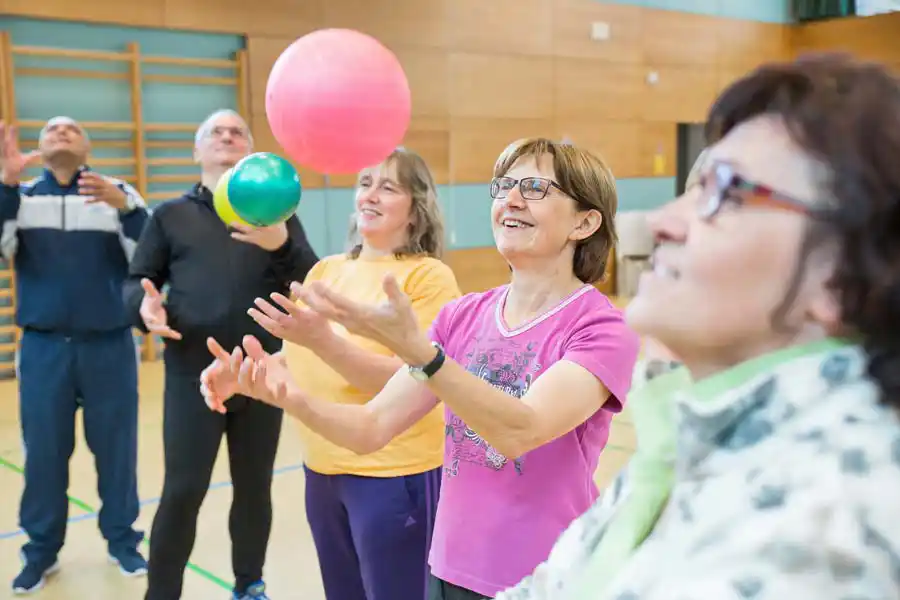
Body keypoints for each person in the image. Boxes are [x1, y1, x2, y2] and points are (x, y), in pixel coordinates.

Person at [485, 53, 900, 599]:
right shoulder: (697, 433)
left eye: (725, 191)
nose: (661, 221)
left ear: (841, 274)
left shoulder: (832, 517)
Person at [201, 138, 642, 599]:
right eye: (504, 186)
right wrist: (289, 398)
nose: (510, 199)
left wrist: (422, 355)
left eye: (533, 187)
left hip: (545, 576)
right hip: (449, 568)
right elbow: (370, 428)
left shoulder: (601, 328)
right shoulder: (463, 316)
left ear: (585, 221)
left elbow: (520, 430)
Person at [210, 147, 461, 600]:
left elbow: (412, 380)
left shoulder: (430, 277)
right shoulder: (326, 271)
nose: (371, 194)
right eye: (365, 183)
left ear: (416, 206)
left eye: (388, 186)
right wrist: (241, 371)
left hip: (392, 477)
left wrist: (323, 339)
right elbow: (299, 362)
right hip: (322, 473)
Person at [122, 109, 319, 600]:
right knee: (183, 490)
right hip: (193, 375)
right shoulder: (170, 216)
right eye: (217, 131)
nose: (227, 136)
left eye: (238, 131)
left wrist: (281, 245)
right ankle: (161, 592)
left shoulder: (277, 216)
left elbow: (311, 280)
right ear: (197, 151)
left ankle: (248, 582)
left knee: (255, 488)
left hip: (262, 374)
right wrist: (142, 308)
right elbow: (135, 281)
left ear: (250, 151)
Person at [0, 116, 150, 594]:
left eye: (72, 127)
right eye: (51, 128)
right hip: (45, 350)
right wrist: (4, 186)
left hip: (110, 346)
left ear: (88, 145)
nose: (61, 130)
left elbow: (149, 255)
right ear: (38, 148)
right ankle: (40, 553)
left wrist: (125, 206)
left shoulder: (117, 194)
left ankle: (123, 542)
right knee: (43, 456)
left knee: (117, 452)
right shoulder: (20, 196)